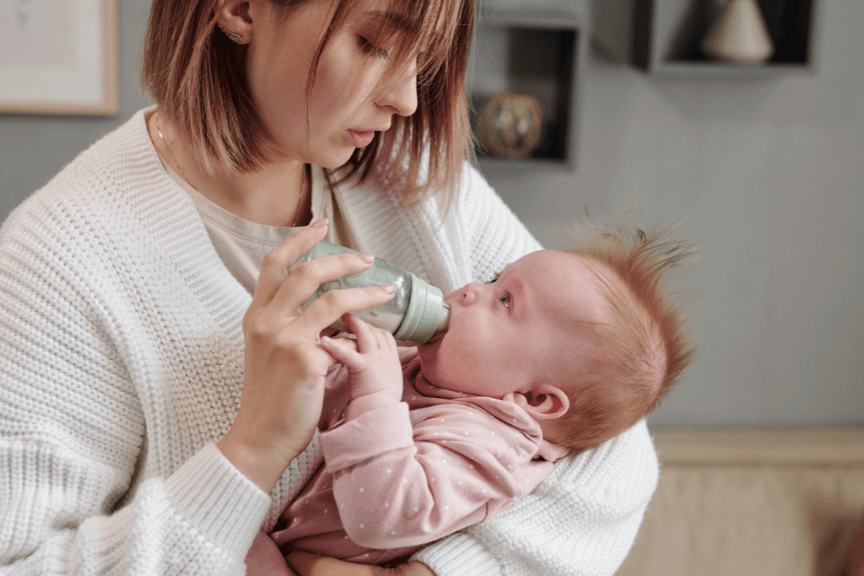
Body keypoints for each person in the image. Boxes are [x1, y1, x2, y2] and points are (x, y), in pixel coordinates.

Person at [0, 0, 661, 575]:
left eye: (423, 55)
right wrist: (252, 448)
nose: (406, 98)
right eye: (374, 43)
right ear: (239, 7)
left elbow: (610, 439)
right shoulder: (59, 261)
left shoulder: (410, 174)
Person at [244, 223, 695, 575]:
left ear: (535, 398)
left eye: (503, 301)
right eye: (493, 278)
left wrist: (377, 397)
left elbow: (383, 516)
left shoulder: (490, 442)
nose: (469, 290)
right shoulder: (428, 367)